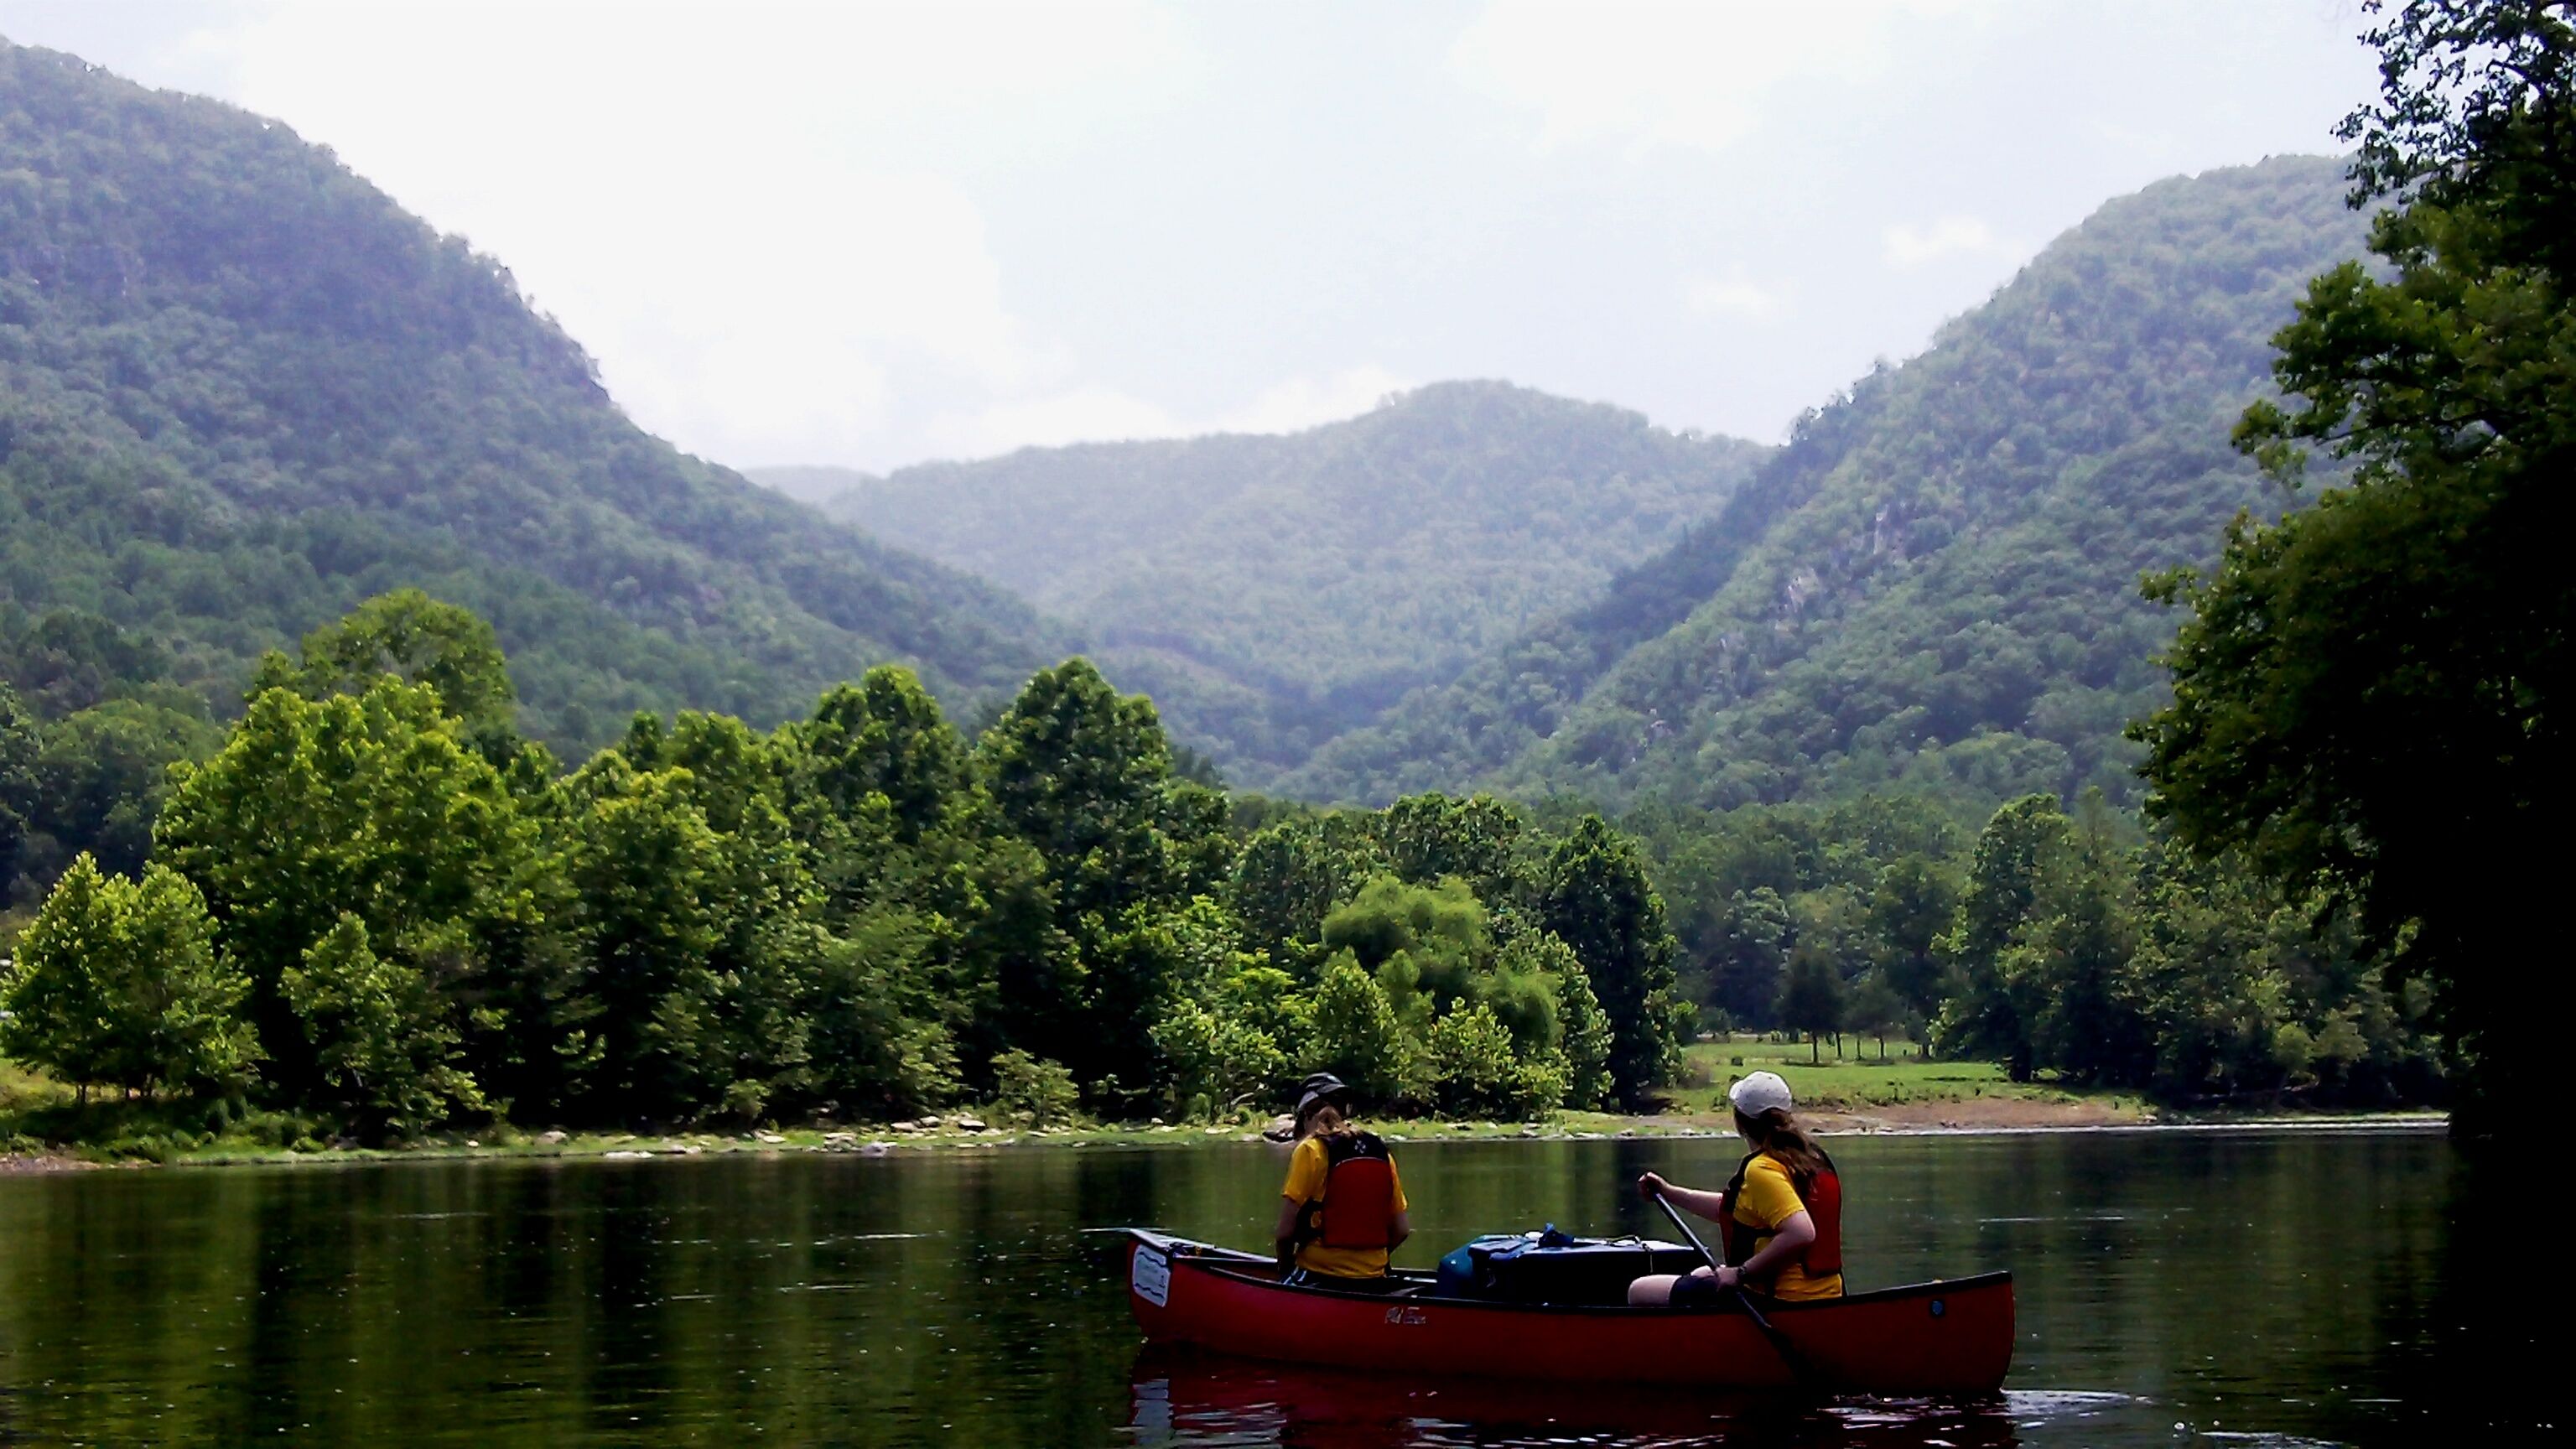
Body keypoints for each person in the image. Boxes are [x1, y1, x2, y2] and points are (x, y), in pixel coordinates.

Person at [1627, 1070, 1843, 1306]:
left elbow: (1801, 1232)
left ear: (1739, 1121)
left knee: (1639, 1290)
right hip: (1829, 1296)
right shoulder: (1810, 1158)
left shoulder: (1762, 1169)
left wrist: (1740, 1273)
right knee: (1701, 1273)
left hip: (1777, 1301)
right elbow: (1734, 1211)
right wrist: (1669, 1192)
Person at [1273, 1072, 1411, 1288]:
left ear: (1306, 1115)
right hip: (1374, 1278)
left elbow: (1284, 1235)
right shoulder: (1380, 1151)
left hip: (1320, 1275)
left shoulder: (1311, 1150)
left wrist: (1283, 1271)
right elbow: (1402, 1230)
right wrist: (1368, 1264)